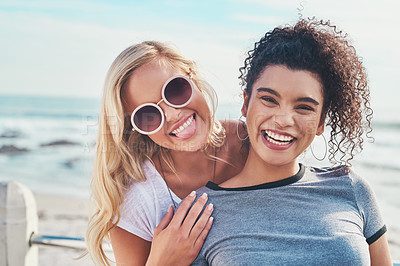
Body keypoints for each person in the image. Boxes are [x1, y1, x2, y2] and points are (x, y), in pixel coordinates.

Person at [192, 18, 392, 265]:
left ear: (321, 122)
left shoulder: (351, 189)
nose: (284, 119)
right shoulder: (202, 210)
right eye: (269, 99)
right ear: (246, 103)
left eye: (304, 107)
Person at [85, 41, 248, 265]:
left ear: (193, 77)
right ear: (135, 127)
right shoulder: (138, 199)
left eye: (175, 90)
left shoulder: (250, 142)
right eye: (148, 114)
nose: (172, 115)